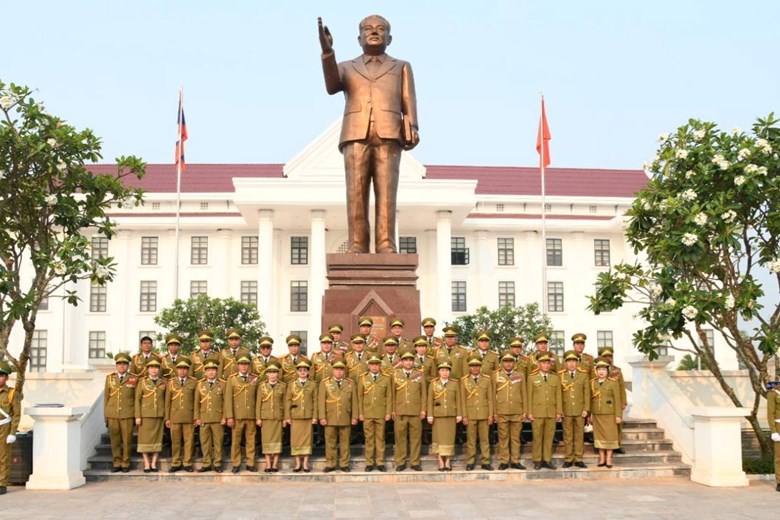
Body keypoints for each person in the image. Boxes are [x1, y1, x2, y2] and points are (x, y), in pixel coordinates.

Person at [318, 14, 419, 254]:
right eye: (368, 29)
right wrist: (327, 52)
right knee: (356, 191)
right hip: (356, 133)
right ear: (359, 38)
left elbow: (408, 97)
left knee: (386, 192)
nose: (374, 32)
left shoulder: (401, 66)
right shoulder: (346, 67)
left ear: (390, 38)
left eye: (381, 29)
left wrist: (412, 125)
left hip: (389, 133)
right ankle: (357, 243)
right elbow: (332, 86)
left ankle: (386, 243)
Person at [319, 361, 358, 472]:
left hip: (345, 416)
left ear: (344, 370)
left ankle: (344, 464)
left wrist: (354, 416)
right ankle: (330, 464)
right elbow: (321, 401)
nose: (339, 371)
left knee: (345, 442)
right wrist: (322, 416)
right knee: (330, 442)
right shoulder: (325, 383)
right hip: (330, 417)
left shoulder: (350, 383)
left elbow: (354, 401)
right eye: (337, 369)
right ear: (333, 370)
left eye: (341, 369)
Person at [527, 352, 562, 470]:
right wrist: (529, 412)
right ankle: (537, 460)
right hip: (537, 412)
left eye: (548, 363)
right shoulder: (532, 378)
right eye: (543, 363)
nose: (546, 365)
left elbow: (558, 396)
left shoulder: (555, 378)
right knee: (537, 437)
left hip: (551, 412)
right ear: (538, 364)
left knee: (549, 437)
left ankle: (547, 459)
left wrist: (558, 412)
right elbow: (529, 396)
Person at [392, 351, 426, 471]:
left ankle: (415, 462)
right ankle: (400, 462)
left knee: (416, 438)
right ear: (401, 362)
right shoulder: (395, 374)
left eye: (410, 360)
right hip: (400, 411)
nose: (408, 362)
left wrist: (423, 409)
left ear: (413, 361)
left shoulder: (419, 375)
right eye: (406, 360)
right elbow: (392, 394)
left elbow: (423, 394)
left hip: (415, 411)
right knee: (400, 438)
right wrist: (393, 410)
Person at [225, 356, 259, 473]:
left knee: (251, 440)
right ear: (237, 365)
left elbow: (257, 398)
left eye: (246, 364)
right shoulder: (232, 379)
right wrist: (229, 416)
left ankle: (250, 463)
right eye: (241, 364)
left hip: (251, 415)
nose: (244, 366)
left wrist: (257, 416)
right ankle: (236, 463)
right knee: (236, 441)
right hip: (237, 415)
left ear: (249, 365)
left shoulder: (255, 379)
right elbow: (228, 399)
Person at [358, 356, 392, 471]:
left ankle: (380, 462)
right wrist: (361, 413)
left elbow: (389, 397)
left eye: (376, 364)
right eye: (372, 364)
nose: (374, 367)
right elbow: (360, 397)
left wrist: (388, 412)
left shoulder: (386, 378)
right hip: (367, 413)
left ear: (380, 366)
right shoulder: (363, 378)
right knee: (369, 439)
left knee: (380, 438)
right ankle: (369, 462)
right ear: (368, 366)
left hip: (380, 413)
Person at [493, 353, 527, 470]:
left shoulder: (520, 375)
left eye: (510, 361)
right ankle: (504, 461)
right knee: (503, 438)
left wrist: (525, 411)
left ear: (514, 363)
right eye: (506, 361)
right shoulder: (496, 375)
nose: (508, 363)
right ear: (502, 362)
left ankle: (515, 461)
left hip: (517, 411)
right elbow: (493, 395)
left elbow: (524, 393)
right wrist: (494, 412)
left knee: (516, 438)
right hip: (501, 411)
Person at [104, 352, 136, 473]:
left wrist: (135, 415)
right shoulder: (109, 378)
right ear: (116, 366)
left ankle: (126, 462)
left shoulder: (133, 378)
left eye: (124, 364)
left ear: (128, 366)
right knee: (115, 440)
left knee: (127, 440)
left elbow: (135, 397)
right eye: (119, 364)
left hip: (128, 413)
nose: (122, 366)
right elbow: (106, 398)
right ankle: (116, 462)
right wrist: (105, 416)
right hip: (112, 413)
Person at [427, 362, 462, 471]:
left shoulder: (454, 384)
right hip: (438, 415)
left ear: (449, 372)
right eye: (442, 370)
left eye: (447, 370)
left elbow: (458, 400)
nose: (445, 372)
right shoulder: (433, 384)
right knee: (438, 439)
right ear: (439, 371)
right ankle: (440, 461)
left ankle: (448, 461)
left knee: (449, 439)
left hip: (451, 415)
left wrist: (459, 414)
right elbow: (429, 400)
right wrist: (430, 415)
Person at [164, 356, 197, 473]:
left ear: (188, 370)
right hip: (175, 416)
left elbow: (196, 401)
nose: (182, 370)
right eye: (180, 368)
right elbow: (167, 402)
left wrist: (196, 417)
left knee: (189, 441)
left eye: (185, 368)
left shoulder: (194, 382)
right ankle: (176, 462)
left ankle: (187, 463)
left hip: (189, 416)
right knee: (176, 441)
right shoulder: (171, 382)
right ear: (176, 369)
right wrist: (167, 418)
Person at [461, 358, 494, 471]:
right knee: (471, 440)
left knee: (485, 440)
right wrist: (464, 415)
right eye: (472, 366)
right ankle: (470, 461)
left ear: (481, 367)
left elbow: (490, 399)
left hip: (484, 414)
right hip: (470, 415)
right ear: (469, 367)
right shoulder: (464, 380)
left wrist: (490, 415)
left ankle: (485, 461)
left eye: (477, 366)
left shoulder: (487, 379)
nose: (475, 368)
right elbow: (463, 400)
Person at [284, 360, 317, 472]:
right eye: (300, 370)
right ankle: (298, 463)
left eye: (305, 370)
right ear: (297, 372)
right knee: (296, 440)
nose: (303, 372)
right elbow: (287, 401)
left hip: (308, 415)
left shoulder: (312, 384)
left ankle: (306, 463)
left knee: (307, 440)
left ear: (308, 372)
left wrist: (315, 416)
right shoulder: (291, 384)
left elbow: (315, 401)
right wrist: (287, 416)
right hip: (295, 416)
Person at [559, 350, 590, 469]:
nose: (571, 364)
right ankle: (568, 458)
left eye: (573, 361)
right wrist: (560, 410)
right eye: (569, 361)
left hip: (579, 410)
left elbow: (586, 393)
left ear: (577, 363)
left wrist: (586, 409)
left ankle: (578, 458)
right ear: (565, 363)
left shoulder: (583, 375)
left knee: (579, 435)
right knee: (567, 435)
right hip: (566, 410)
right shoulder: (561, 375)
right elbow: (559, 395)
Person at [194, 359, 226, 473]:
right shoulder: (200, 384)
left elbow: (225, 402)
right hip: (204, 418)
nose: (211, 372)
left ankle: (217, 463)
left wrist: (224, 417)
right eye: (208, 370)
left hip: (218, 418)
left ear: (217, 371)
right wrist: (197, 417)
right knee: (205, 442)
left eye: (213, 370)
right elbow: (196, 402)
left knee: (218, 442)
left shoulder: (222, 384)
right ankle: (206, 463)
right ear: (205, 372)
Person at [134, 358, 166, 472]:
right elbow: (137, 400)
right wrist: (137, 416)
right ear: (147, 369)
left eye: (156, 368)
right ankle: (146, 463)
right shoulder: (142, 382)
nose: (154, 370)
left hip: (159, 415)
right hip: (145, 415)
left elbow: (166, 400)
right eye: (152, 368)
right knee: (144, 440)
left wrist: (166, 416)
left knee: (157, 439)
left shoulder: (164, 382)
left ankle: (154, 463)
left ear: (159, 369)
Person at [591, 358, 623, 468]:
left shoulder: (613, 383)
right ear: (596, 370)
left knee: (610, 436)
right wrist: (590, 414)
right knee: (599, 436)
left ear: (607, 371)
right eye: (599, 369)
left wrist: (618, 415)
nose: (601, 371)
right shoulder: (592, 383)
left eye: (604, 369)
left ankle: (609, 458)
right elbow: (591, 400)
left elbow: (617, 400)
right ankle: (601, 458)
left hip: (610, 414)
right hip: (597, 414)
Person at [596, 347, 627, 454]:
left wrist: (623, 401)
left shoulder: (617, 371)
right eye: (605, 356)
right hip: (601, 404)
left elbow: (622, 387)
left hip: (616, 402)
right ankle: (601, 445)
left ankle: (617, 444)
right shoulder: (597, 369)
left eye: (610, 356)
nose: (608, 358)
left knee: (617, 425)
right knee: (602, 427)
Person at [256, 363, 286, 473]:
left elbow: (285, 403)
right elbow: (258, 403)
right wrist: (258, 418)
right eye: (270, 372)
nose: (272, 375)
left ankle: (275, 463)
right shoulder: (262, 386)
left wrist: (285, 418)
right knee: (266, 441)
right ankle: (268, 463)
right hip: (266, 417)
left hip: (278, 417)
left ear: (278, 374)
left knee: (277, 441)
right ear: (267, 374)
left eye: (275, 372)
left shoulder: (282, 386)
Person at [0, 361, 21, 495]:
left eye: (1, 375)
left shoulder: (12, 393)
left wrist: (12, 432)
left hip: (4, 428)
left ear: (6, 377)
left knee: (3, 457)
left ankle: (2, 483)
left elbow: (16, 414)